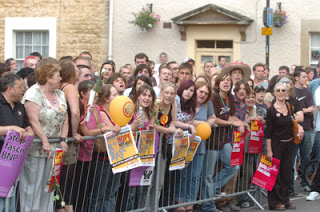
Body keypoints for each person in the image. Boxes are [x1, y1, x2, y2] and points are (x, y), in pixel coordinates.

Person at [21, 61, 69, 212]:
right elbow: (33, 120)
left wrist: (63, 139)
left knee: (48, 187)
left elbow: (65, 117)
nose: (60, 78)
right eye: (57, 76)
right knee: (32, 188)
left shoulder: (60, 93)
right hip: (36, 148)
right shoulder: (33, 94)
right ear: (48, 77)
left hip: (54, 149)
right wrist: (44, 140)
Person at [201, 72, 248, 212]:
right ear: (218, 83)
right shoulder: (214, 97)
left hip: (224, 139)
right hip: (212, 140)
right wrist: (232, 124)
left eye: (228, 80)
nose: (226, 82)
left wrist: (242, 123)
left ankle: (211, 189)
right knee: (208, 175)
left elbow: (231, 116)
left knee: (234, 166)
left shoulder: (230, 97)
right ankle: (208, 205)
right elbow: (215, 119)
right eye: (223, 80)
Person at [175, 81, 216, 212]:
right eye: (200, 91)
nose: (203, 95)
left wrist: (208, 124)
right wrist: (199, 123)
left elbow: (213, 118)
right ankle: (180, 202)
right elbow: (184, 120)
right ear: (195, 91)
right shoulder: (187, 103)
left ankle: (190, 203)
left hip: (200, 146)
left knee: (195, 176)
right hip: (185, 144)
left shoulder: (207, 105)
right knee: (183, 175)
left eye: (206, 93)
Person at [266, 81, 303, 210]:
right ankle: (275, 202)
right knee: (276, 175)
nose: (281, 93)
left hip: (289, 145)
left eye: (283, 90)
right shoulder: (270, 110)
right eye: (278, 90)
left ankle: (285, 200)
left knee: (287, 174)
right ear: (274, 92)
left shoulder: (288, 106)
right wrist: (269, 150)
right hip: (276, 145)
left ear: (287, 92)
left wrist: (300, 127)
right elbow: (268, 132)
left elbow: (293, 122)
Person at [0, 74, 34, 212]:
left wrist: (30, 133)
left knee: (11, 198)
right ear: (9, 89)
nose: (23, 90)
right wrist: (12, 129)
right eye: (20, 87)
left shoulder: (20, 106)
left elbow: (27, 126)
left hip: (13, 161)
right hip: (1, 159)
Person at [90, 84, 121, 212]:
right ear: (107, 99)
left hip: (115, 157)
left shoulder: (116, 112)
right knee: (99, 194)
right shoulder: (101, 112)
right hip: (102, 159)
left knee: (111, 193)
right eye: (115, 95)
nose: (118, 97)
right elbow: (113, 131)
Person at [57, 59, 83, 212]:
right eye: (76, 67)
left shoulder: (60, 87)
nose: (78, 70)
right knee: (67, 184)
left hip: (61, 137)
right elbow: (74, 112)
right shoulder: (70, 87)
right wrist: (74, 132)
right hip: (68, 139)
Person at [293, 69, 315, 192]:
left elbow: (312, 109)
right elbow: (293, 110)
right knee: (292, 157)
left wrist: (302, 110)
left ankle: (305, 182)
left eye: (306, 76)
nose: (305, 79)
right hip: (294, 128)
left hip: (306, 128)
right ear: (296, 78)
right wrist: (304, 110)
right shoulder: (292, 92)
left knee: (306, 156)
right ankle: (290, 186)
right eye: (303, 76)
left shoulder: (308, 92)